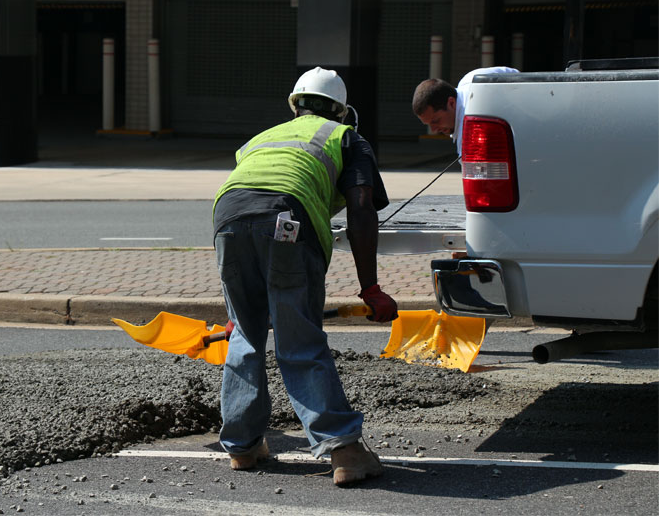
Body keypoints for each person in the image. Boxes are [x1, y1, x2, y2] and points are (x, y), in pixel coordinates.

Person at [212, 67, 398, 487]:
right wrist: (370, 287)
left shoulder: (261, 138)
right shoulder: (345, 136)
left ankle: (243, 446)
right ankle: (345, 451)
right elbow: (362, 210)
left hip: (226, 215)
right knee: (299, 338)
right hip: (286, 219)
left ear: (294, 104)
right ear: (342, 111)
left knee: (245, 334)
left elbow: (249, 197)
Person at [412, 66, 519, 155]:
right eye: (429, 125)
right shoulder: (469, 79)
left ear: (451, 103)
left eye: (435, 121)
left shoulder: (470, 131)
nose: (433, 130)